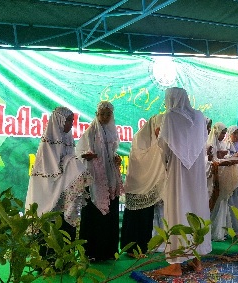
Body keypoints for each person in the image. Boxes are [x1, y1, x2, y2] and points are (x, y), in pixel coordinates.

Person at [154, 87, 212, 276]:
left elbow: (164, 147)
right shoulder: (200, 116)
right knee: (196, 209)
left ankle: (175, 265)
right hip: (196, 173)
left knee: (177, 209)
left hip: (178, 172)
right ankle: (196, 260)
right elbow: (202, 141)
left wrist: (158, 137)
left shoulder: (169, 117)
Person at [25, 106, 92, 241]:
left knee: (65, 231)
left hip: (62, 192)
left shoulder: (68, 138)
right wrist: (72, 162)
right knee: (48, 228)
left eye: (72, 121)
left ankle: (66, 260)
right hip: (47, 191)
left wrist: (78, 160)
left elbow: (68, 164)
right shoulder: (48, 143)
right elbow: (53, 171)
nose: (70, 124)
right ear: (59, 121)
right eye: (68, 120)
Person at [76, 101, 123, 261]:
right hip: (95, 180)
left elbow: (112, 153)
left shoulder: (112, 132)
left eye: (108, 114)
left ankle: (108, 251)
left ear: (112, 116)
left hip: (110, 178)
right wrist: (86, 157)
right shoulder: (90, 132)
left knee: (110, 214)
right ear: (97, 115)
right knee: (94, 215)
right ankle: (91, 252)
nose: (104, 117)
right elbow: (79, 153)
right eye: (102, 114)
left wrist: (116, 160)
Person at [120, 114, 166, 255]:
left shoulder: (158, 143)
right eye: (160, 128)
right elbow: (139, 162)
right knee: (135, 219)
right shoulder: (140, 139)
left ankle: (142, 248)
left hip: (149, 186)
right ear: (153, 126)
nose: (161, 132)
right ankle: (131, 249)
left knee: (146, 219)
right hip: (137, 185)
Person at [207, 122, 238, 241]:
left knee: (223, 202)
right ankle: (211, 230)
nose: (223, 135)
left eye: (224, 133)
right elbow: (211, 161)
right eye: (222, 132)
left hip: (222, 175)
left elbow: (222, 158)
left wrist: (227, 158)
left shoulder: (222, 144)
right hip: (213, 177)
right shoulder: (209, 144)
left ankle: (220, 230)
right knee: (213, 201)